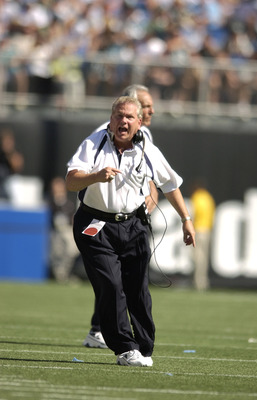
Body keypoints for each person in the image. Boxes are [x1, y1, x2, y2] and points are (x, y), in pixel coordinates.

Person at [66, 96, 195, 367]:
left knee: (138, 289)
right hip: (95, 224)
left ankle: (144, 346)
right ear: (111, 119)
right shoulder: (94, 143)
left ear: (139, 123)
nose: (123, 121)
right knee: (111, 285)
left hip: (133, 225)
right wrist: (96, 176)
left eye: (129, 117)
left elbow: (170, 184)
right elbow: (70, 181)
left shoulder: (148, 148)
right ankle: (124, 348)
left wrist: (186, 219)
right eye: (118, 116)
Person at [82, 84, 159, 349]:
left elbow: (150, 173)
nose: (151, 110)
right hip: (100, 216)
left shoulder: (143, 136)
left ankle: (105, 330)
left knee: (126, 279)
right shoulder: (103, 135)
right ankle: (107, 333)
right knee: (111, 279)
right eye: (146, 104)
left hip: (129, 218)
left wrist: (151, 195)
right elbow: (81, 174)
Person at [48, 176, 79, 282]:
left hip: (68, 230)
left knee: (71, 250)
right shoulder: (50, 202)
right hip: (55, 232)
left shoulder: (70, 201)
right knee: (57, 252)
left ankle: (66, 274)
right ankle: (59, 275)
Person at [190, 179, 215, 290]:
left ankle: (198, 283)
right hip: (207, 230)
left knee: (198, 258)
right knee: (204, 258)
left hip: (199, 230)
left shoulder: (197, 197)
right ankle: (203, 282)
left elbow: (194, 213)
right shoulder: (208, 197)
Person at [0, 128, 24, 200]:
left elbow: (17, 167)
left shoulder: (15, 154)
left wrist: (9, 154)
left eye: (9, 141)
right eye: (5, 141)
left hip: (10, 187)